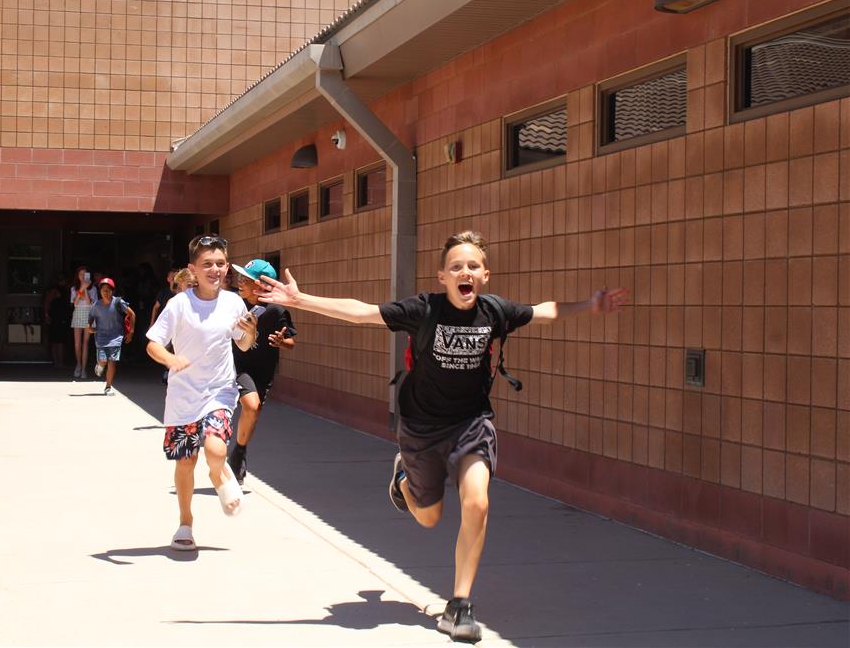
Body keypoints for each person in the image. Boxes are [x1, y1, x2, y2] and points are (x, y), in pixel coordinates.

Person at [258, 230, 629, 642]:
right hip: (420, 427)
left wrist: (589, 305)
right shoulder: (423, 309)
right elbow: (362, 312)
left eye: (472, 266)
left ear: (485, 275)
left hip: (471, 423)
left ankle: (459, 605)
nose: (464, 271)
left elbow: (544, 310)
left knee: (478, 501)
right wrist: (301, 300)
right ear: (442, 276)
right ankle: (405, 480)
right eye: (456, 266)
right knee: (429, 517)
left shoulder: (496, 312)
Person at [145, 235, 257, 551]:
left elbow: (243, 344)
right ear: (193, 269)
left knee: (216, 451)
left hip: (219, 391)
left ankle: (221, 477)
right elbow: (153, 343)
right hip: (183, 396)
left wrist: (250, 334)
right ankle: (185, 522)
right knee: (185, 462)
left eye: (220, 264)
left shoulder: (234, 302)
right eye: (207, 264)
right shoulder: (179, 304)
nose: (215, 270)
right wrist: (170, 359)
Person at [227, 258, 297, 485]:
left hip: (263, 370)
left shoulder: (276, 311)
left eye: (245, 280)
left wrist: (280, 342)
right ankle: (236, 453)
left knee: (253, 411)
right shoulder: (235, 305)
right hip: (238, 366)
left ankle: (239, 451)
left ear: (261, 285)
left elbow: (290, 342)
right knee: (251, 405)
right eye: (239, 277)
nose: (240, 282)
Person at [87, 277, 136, 396]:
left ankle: (108, 387)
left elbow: (132, 314)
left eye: (108, 290)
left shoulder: (118, 302)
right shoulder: (96, 305)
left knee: (112, 362)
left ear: (112, 291)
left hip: (116, 337)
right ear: (100, 292)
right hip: (101, 337)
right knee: (103, 360)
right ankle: (100, 365)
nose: (106, 292)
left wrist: (131, 331)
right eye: (103, 290)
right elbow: (91, 317)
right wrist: (89, 326)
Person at [70, 266, 97, 379]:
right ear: (77, 276)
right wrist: (81, 288)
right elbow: (75, 303)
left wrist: (86, 288)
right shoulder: (73, 288)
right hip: (78, 313)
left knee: (85, 343)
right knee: (77, 343)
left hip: (88, 314)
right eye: (81, 274)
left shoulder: (93, 289)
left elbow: (89, 302)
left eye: (85, 274)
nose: (83, 276)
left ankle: (84, 368)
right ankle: (79, 365)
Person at [44, 274, 72, 367]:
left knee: (58, 341)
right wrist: (47, 315)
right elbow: (47, 302)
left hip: (60, 318)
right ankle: (58, 362)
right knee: (58, 341)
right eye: (64, 281)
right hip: (56, 318)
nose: (65, 283)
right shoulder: (55, 290)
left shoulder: (64, 290)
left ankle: (58, 362)